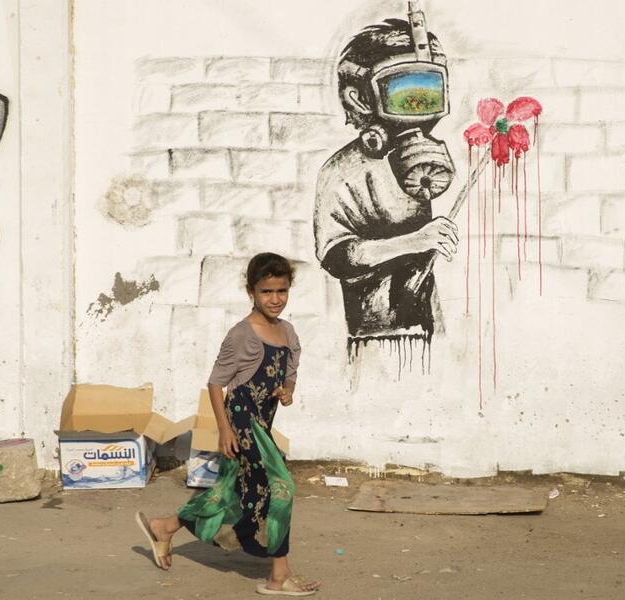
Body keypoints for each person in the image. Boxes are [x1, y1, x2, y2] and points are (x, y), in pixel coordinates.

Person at [136, 252, 320, 596]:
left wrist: (287, 391)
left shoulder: (288, 332)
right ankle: (279, 575)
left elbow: (290, 373)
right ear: (251, 291)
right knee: (282, 488)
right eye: (267, 292)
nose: (275, 299)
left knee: (230, 491)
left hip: (261, 424)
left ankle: (165, 526)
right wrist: (224, 429)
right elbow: (216, 382)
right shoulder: (241, 335)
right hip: (241, 420)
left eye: (282, 291)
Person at [313, 11, 459, 358]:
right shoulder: (341, 170)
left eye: (429, 92)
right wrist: (414, 241)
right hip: (374, 340)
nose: (418, 109)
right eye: (404, 92)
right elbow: (337, 257)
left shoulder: (416, 167)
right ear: (360, 98)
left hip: (425, 329)